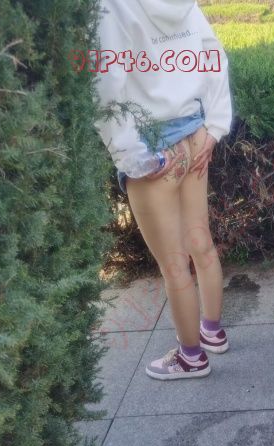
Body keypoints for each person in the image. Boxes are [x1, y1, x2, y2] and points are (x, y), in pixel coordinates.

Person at [93, 0, 233, 380]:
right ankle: (212, 331)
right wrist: (215, 125)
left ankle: (191, 358)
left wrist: (133, 158)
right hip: (194, 133)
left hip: (154, 147)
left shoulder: (112, 5)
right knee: (200, 242)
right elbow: (212, 53)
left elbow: (105, 85)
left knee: (174, 265)